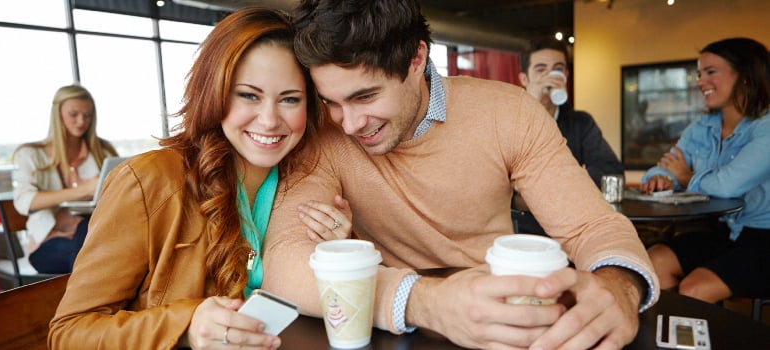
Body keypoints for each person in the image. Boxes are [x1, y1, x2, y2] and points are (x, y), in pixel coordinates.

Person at [263, 1, 659, 349]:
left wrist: (619, 287)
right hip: (389, 332)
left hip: (507, 325)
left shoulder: (510, 112)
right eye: (331, 101)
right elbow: (284, 264)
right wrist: (425, 302)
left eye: (365, 96)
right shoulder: (321, 137)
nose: (348, 124)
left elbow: (592, 227)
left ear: (416, 59)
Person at [49, 8, 334, 349]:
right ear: (213, 92)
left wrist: (335, 250)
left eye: (289, 99)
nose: (270, 120)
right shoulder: (148, 182)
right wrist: (186, 325)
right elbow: (68, 334)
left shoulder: (309, 178)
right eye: (248, 95)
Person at [639, 37, 770, 304]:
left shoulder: (766, 128)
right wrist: (660, 179)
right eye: (699, 74)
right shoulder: (703, 126)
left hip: (764, 238)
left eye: (711, 72)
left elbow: (727, 186)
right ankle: (674, 340)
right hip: (723, 231)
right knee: (653, 262)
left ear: (745, 76)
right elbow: (662, 168)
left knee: (695, 288)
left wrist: (686, 178)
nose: (700, 81)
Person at [514, 39, 624, 234]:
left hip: (573, 228)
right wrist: (533, 108)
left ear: (565, 76)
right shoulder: (510, 122)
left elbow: (610, 173)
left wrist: (532, 193)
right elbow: (500, 189)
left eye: (557, 70)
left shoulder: (580, 122)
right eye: (540, 70)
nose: (550, 77)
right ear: (524, 80)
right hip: (521, 230)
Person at [12, 84, 118, 274]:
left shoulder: (103, 152)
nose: (81, 121)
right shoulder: (32, 154)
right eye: (73, 114)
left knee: (92, 238)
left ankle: (82, 302)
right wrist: (83, 190)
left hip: (95, 234)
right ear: (57, 113)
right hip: (48, 243)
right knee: (95, 253)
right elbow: (23, 202)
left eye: (87, 115)